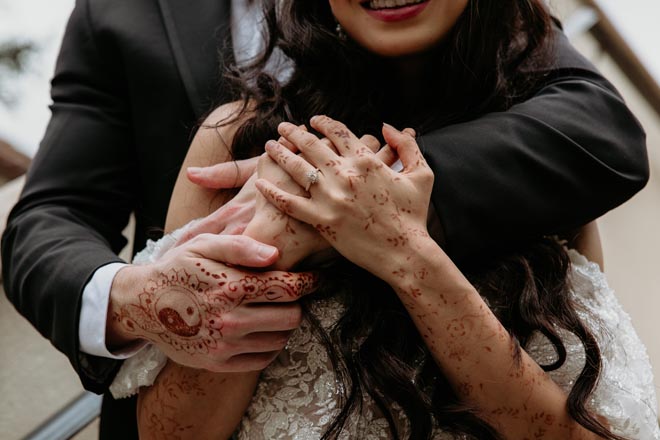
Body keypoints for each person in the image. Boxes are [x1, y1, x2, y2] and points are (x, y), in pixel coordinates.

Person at [0, 0, 650, 438]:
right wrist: (146, 298)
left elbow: (597, 130)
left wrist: (369, 210)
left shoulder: (529, 131)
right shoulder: (225, 136)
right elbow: (48, 222)